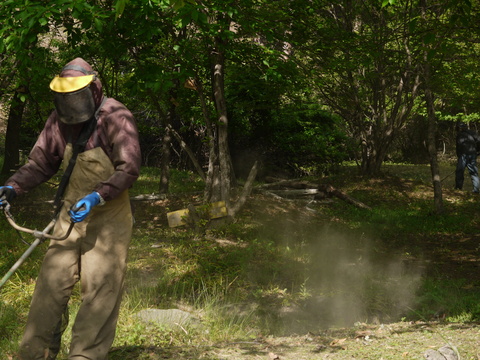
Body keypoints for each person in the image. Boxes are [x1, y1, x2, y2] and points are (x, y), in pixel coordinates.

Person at [0, 58, 141, 359]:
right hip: (69, 215)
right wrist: (13, 187)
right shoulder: (58, 119)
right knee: (50, 287)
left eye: (75, 95)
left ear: (93, 89)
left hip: (108, 219)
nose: (70, 103)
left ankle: (84, 355)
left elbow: (129, 168)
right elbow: (41, 162)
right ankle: (35, 354)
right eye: (65, 97)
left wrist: (97, 196)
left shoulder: (116, 116)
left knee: (99, 291)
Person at [455, 122, 480, 193]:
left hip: (465, 155)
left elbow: (458, 147)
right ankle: (475, 190)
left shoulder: (460, 135)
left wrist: (477, 151)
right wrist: (477, 151)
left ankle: (458, 188)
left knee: (460, 172)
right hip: (470, 154)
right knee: (473, 172)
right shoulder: (472, 133)